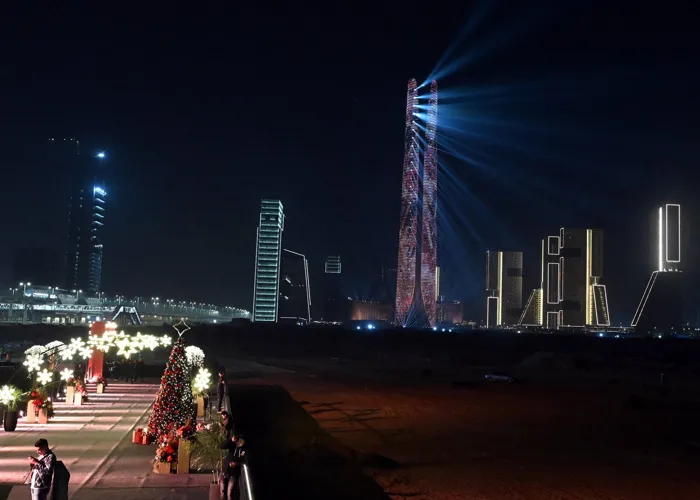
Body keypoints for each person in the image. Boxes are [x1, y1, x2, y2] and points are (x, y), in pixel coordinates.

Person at [219, 435, 246, 500]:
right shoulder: (232, 446)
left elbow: (245, 461)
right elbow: (222, 446)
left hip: (234, 472)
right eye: (238, 441)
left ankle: (229, 497)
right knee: (222, 489)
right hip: (225, 469)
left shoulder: (244, 450)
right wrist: (231, 440)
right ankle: (222, 496)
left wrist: (236, 463)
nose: (239, 443)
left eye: (241, 442)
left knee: (230, 493)